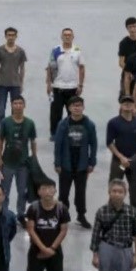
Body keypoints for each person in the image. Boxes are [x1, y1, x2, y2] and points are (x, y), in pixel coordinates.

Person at [24, 179, 70, 271]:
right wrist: (43, 249)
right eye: (44, 188)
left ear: (55, 191)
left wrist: (52, 249)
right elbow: (31, 230)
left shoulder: (61, 208)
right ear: (39, 192)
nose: (48, 191)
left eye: (51, 188)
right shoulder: (33, 208)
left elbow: (63, 230)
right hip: (36, 252)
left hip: (55, 253)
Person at [53, 96, 96, 228]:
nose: (77, 108)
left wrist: (92, 162)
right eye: (74, 106)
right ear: (69, 108)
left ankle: (81, 215)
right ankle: (62, 216)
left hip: (82, 165)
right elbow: (58, 145)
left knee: (80, 193)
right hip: (66, 164)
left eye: (79, 105)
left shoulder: (89, 124)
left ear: (83, 107)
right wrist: (57, 163)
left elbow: (93, 144)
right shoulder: (63, 124)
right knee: (63, 193)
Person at [104, 96, 136, 209]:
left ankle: (134, 213)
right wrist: (121, 157)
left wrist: (135, 157)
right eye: (125, 103)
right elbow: (109, 142)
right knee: (114, 187)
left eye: (130, 103)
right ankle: (112, 212)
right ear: (121, 105)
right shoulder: (113, 122)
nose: (127, 105)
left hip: (135, 161)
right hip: (119, 161)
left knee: (135, 191)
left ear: (134, 105)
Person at [0, 96, 38, 216]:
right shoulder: (6, 122)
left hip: (23, 164)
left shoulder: (30, 123)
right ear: (11, 105)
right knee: (4, 190)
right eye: (15, 103)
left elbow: (33, 141)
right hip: (7, 163)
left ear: (24, 105)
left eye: (20, 103)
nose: (18, 106)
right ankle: (4, 213)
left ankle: (21, 214)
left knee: (22, 191)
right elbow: (0, 140)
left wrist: (34, 158)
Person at [45, 28, 84, 140]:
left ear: (73, 37)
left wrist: (80, 85)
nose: (67, 37)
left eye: (69, 35)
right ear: (62, 37)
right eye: (65, 35)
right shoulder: (55, 50)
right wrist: (48, 84)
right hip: (57, 87)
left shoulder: (77, 51)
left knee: (73, 112)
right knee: (55, 113)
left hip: (73, 88)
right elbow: (49, 68)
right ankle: (54, 134)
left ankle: (73, 133)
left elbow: (82, 68)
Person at [0, 27, 27, 124]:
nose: (11, 37)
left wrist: (21, 83)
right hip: (2, 84)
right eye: (9, 35)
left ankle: (13, 128)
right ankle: (2, 128)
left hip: (15, 84)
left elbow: (22, 68)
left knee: (15, 109)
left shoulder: (20, 51)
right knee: (1, 109)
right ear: (5, 36)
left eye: (13, 35)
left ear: (16, 36)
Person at [116, 17, 136, 97]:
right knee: (126, 97)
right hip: (128, 72)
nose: (132, 29)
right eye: (130, 27)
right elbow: (121, 62)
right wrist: (129, 72)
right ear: (127, 28)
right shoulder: (124, 43)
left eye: (134, 26)